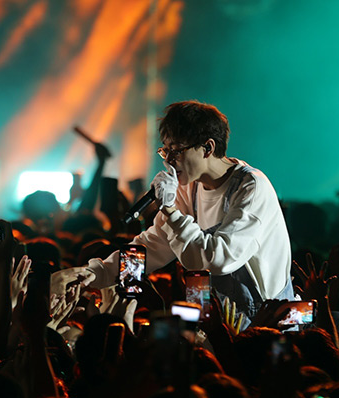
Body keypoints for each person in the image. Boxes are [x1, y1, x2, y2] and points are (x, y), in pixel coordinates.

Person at [59, 100, 293, 322]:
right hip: (210, 317)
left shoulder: (250, 187)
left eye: (177, 150)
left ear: (207, 148)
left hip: (264, 321)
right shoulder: (188, 187)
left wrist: (170, 210)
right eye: (165, 151)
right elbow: (152, 247)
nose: (168, 161)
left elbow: (219, 259)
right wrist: (97, 275)